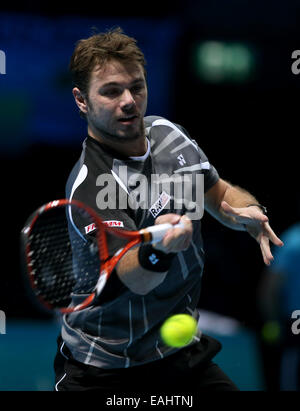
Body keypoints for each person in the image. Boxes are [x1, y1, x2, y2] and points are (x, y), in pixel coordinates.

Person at [54, 27, 283, 392]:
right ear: (82, 101)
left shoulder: (168, 133)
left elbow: (219, 194)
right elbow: (132, 276)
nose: (129, 100)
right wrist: (159, 248)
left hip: (176, 354)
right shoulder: (92, 184)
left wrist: (248, 211)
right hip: (104, 367)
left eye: (136, 86)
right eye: (111, 91)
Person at [257, 222, 300, 391]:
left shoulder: (293, 240)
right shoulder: (294, 241)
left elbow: (269, 288)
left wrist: (272, 321)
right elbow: (270, 289)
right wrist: (273, 321)